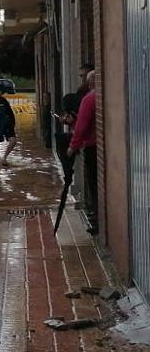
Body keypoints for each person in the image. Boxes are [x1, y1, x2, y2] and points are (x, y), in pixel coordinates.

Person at [68, 69, 99, 233]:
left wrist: (73, 146)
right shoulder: (103, 97)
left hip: (92, 147)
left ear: (89, 83)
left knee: (94, 184)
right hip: (101, 146)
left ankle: (96, 220)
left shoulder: (89, 99)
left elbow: (81, 126)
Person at [0, 93, 18, 165]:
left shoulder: (3, 100)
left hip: (7, 124)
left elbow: (10, 111)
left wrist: (12, 123)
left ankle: (4, 157)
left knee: (13, 141)